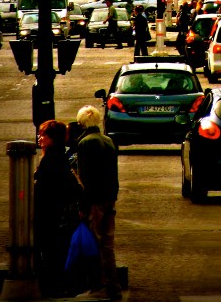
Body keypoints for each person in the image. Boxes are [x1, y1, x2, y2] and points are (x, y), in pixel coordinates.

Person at [76, 105, 122, 301]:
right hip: (108, 199)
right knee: (108, 245)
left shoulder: (85, 144)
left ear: (82, 123)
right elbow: (114, 174)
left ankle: (97, 286)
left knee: (93, 244)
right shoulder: (108, 141)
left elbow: (85, 178)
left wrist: (83, 206)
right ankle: (113, 287)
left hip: (94, 201)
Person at [34, 119, 83, 298]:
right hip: (55, 216)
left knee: (52, 253)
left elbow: (50, 190)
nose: (39, 138)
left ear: (53, 138)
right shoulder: (56, 158)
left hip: (51, 216)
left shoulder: (52, 161)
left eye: (44, 135)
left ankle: (54, 288)